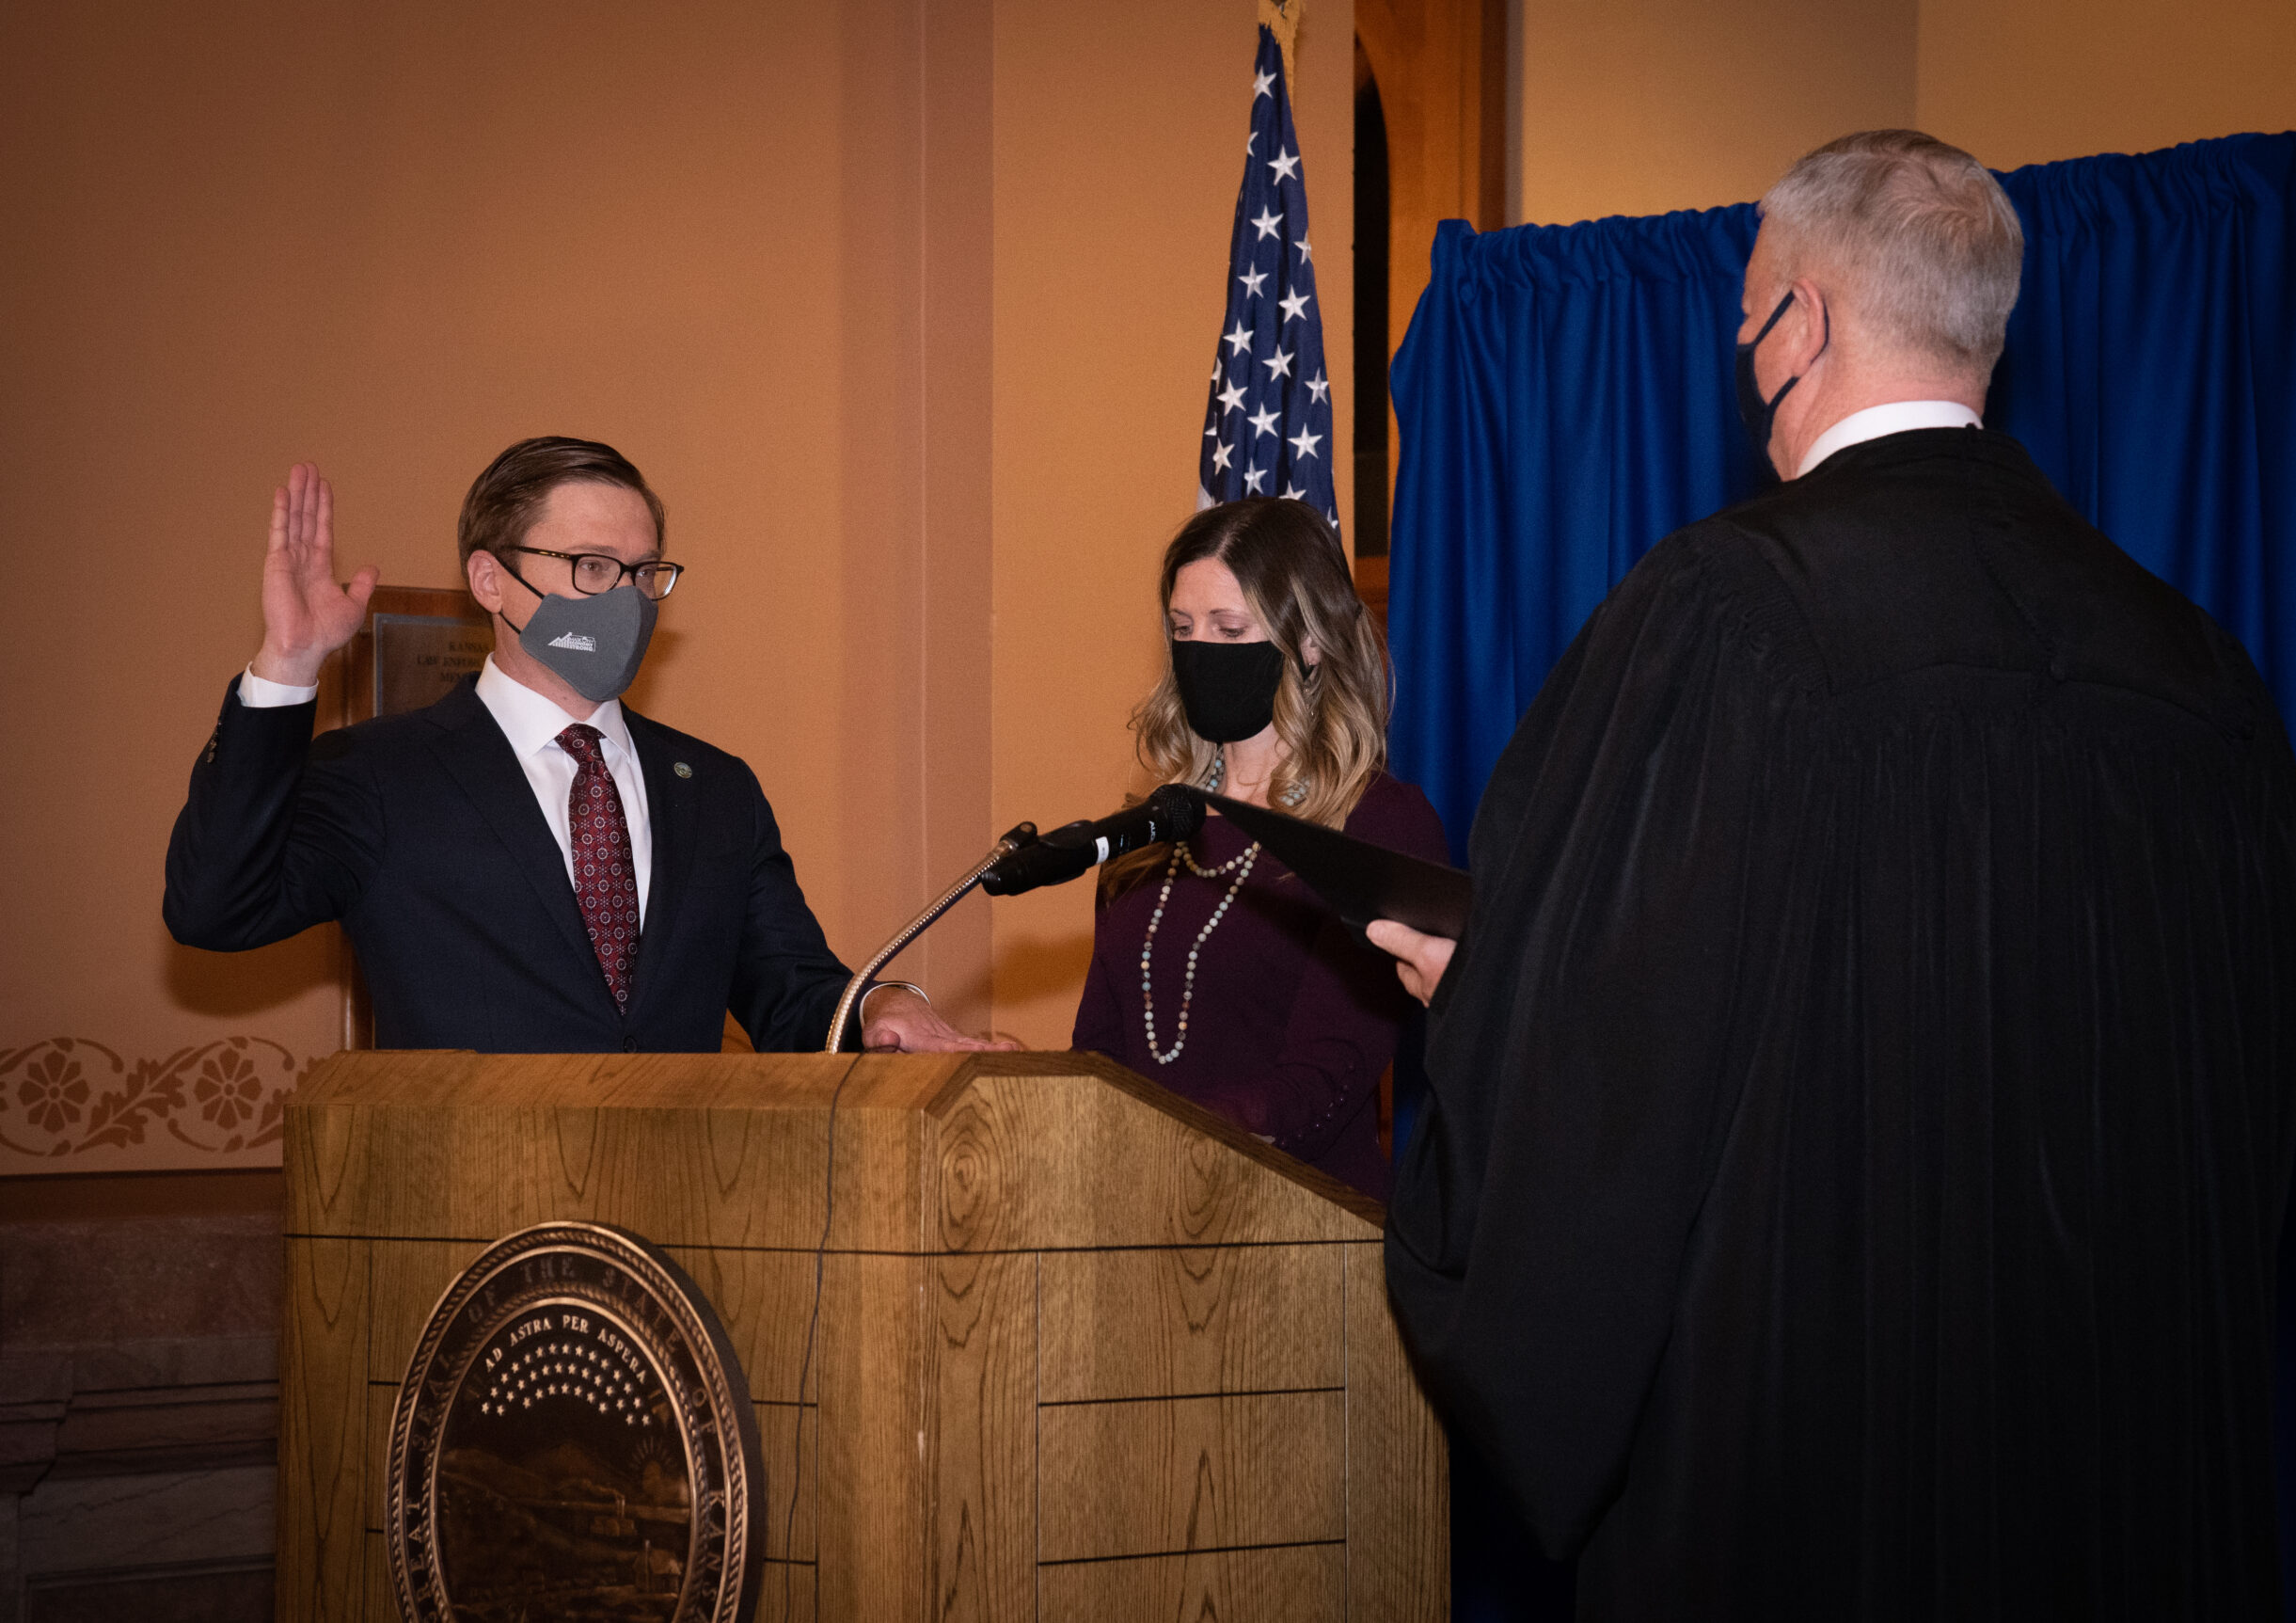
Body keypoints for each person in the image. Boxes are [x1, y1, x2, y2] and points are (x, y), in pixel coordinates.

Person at [1368, 132, 2296, 1618]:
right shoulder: (2203, 677)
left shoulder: (1726, 621)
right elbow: (2262, 1115)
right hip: (2135, 1509)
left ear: (1799, 324)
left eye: (1753, 315)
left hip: (1812, 1516)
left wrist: (1483, 1011)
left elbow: (1610, 1099)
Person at [166, 438, 1008, 1056]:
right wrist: (288, 668)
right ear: (491, 580)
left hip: (686, 1235)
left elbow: (791, 994)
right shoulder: (384, 773)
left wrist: (878, 1007)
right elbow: (215, 907)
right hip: (471, 1240)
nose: (630, 600)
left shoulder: (714, 788)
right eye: (593, 567)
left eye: (645, 573)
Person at [1071, 499, 1448, 1199]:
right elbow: (1097, 1052)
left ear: (1308, 641)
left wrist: (1169, 1134)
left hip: (1301, 1234)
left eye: (1229, 627)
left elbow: (1325, 1073)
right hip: (1131, 1225)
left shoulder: (1377, 823)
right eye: (1183, 629)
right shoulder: (1152, 829)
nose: (1199, 651)